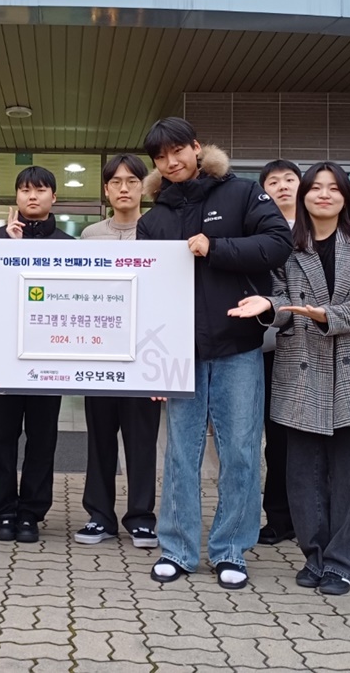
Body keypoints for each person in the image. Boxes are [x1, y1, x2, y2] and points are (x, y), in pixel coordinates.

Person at [137, 118, 292, 590]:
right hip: (178, 354)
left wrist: (216, 248)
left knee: (240, 451)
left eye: (177, 151)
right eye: (160, 157)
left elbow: (278, 244)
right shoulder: (153, 219)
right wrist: (152, 365)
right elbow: (146, 294)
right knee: (180, 454)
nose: (171, 162)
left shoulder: (242, 193)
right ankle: (178, 549)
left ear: (196, 148)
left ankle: (230, 550)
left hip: (237, 345)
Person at [230, 162, 350, 596]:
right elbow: (280, 299)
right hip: (300, 364)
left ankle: (344, 562)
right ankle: (315, 555)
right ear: (305, 196)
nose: (323, 195)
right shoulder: (288, 245)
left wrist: (326, 316)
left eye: (333, 188)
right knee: (302, 472)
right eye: (316, 188)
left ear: (345, 197)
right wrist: (267, 307)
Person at [0, 165, 74, 543]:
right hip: (1, 356)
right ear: (16, 196)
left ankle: (31, 513)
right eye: (24, 190)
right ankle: (3, 511)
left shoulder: (70, 246)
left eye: (39, 190)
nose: (31, 196)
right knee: (0, 437)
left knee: (42, 437)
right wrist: (9, 246)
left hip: (49, 357)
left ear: (54, 197)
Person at [74, 153, 161, 549]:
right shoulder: (90, 235)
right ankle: (100, 516)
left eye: (132, 181)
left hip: (146, 352)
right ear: (106, 190)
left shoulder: (162, 230)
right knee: (100, 438)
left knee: (142, 439)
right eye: (115, 182)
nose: (124, 188)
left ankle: (141, 518)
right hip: (100, 350)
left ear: (144, 187)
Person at [256, 159, 301, 547]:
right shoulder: (259, 231)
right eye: (273, 181)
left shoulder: (318, 228)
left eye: (290, 179)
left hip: (317, 345)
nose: (283, 186)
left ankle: (326, 519)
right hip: (272, 346)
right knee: (278, 436)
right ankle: (279, 517)